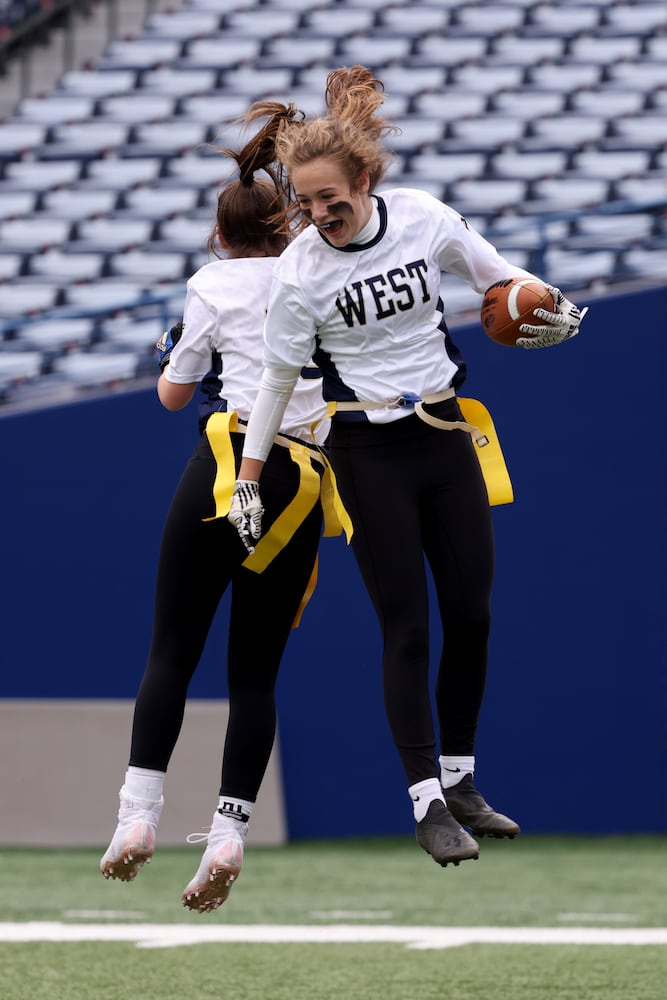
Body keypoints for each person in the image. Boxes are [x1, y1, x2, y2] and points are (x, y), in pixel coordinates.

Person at [227, 66, 588, 869]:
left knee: (473, 614)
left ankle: (460, 780)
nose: (319, 214)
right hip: (365, 448)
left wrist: (546, 301)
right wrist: (249, 476)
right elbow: (275, 381)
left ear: (364, 178)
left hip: (444, 435)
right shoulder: (300, 270)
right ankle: (424, 801)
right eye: (306, 203)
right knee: (407, 627)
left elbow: (500, 280)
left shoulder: (423, 218)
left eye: (331, 198)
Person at [100, 103, 331, 913]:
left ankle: (137, 817)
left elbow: (169, 396)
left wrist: (175, 349)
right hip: (300, 478)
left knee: (171, 650)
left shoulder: (209, 283)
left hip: (225, 459)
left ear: (219, 233)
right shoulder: (314, 270)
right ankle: (230, 831)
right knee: (254, 674)